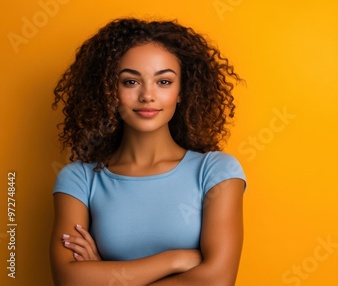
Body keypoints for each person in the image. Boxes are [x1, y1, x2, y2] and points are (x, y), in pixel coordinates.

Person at [50, 17, 246, 286]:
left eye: (164, 82)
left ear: (181, 91)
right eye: (130, 82)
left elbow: (217, 280)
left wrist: (105, 274)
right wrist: (175, 260)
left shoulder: (216, 171)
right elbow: (68, 279)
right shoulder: (79, 179)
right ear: (109, 90)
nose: (147, 96)